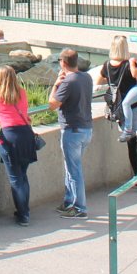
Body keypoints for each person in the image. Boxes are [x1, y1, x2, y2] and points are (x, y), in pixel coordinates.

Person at [97, 36, 137, 190]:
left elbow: (98, 81)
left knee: (131, 144)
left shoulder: (106, 65)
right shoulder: (130, 64)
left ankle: (136, 175)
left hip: (121, 110)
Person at [0, 64, 40, 226]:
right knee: (23, 176)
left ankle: (23, 214)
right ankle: (25, 210)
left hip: (9, 137)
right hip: (26, 135)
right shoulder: (22, 93)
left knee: (15, 179)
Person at [47, 47, 92, 219]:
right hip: (86, 129)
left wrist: (56, 84)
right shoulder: (86, 77)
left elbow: (52, 104)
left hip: (72, 131)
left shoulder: (68, 82)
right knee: (71, 167)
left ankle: (80, 208)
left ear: (63, 63)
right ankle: (68, 202)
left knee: (74, 171)